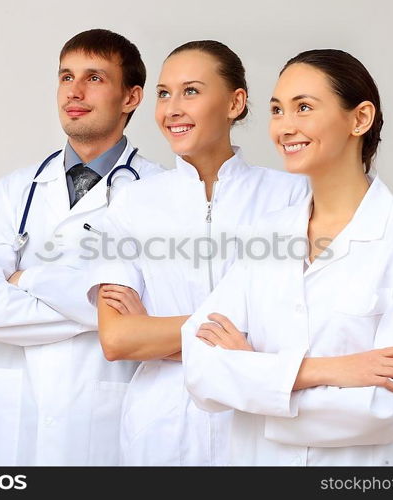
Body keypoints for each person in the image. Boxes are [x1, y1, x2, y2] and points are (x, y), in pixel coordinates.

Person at [181, 49, 393, 466]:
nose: (284, 127)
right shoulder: (266, 233)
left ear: (359, 119)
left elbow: (386, 408)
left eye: (303, 107)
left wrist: (254, 381)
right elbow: (201, 370)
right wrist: (328, 370)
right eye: (276, 110)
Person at [87, 40, 309, 465]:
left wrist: (156, 334)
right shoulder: (132, 203)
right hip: (163, 426)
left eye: (190, 91)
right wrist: (239, 339)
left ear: (235, 102)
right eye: (163, 93)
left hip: (258, 417)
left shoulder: (293, 197)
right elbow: (117, 338)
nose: (171, 108)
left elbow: (304, 331)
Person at [0, 29, 163, 465]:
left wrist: (27, 279)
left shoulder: (161, 192)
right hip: (17, 421)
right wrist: (102, 311)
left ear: (131, 97)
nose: (74, 91)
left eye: (95, 78)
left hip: (106, 419)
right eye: (66, 76)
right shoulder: (17, 189)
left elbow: (156, 311)